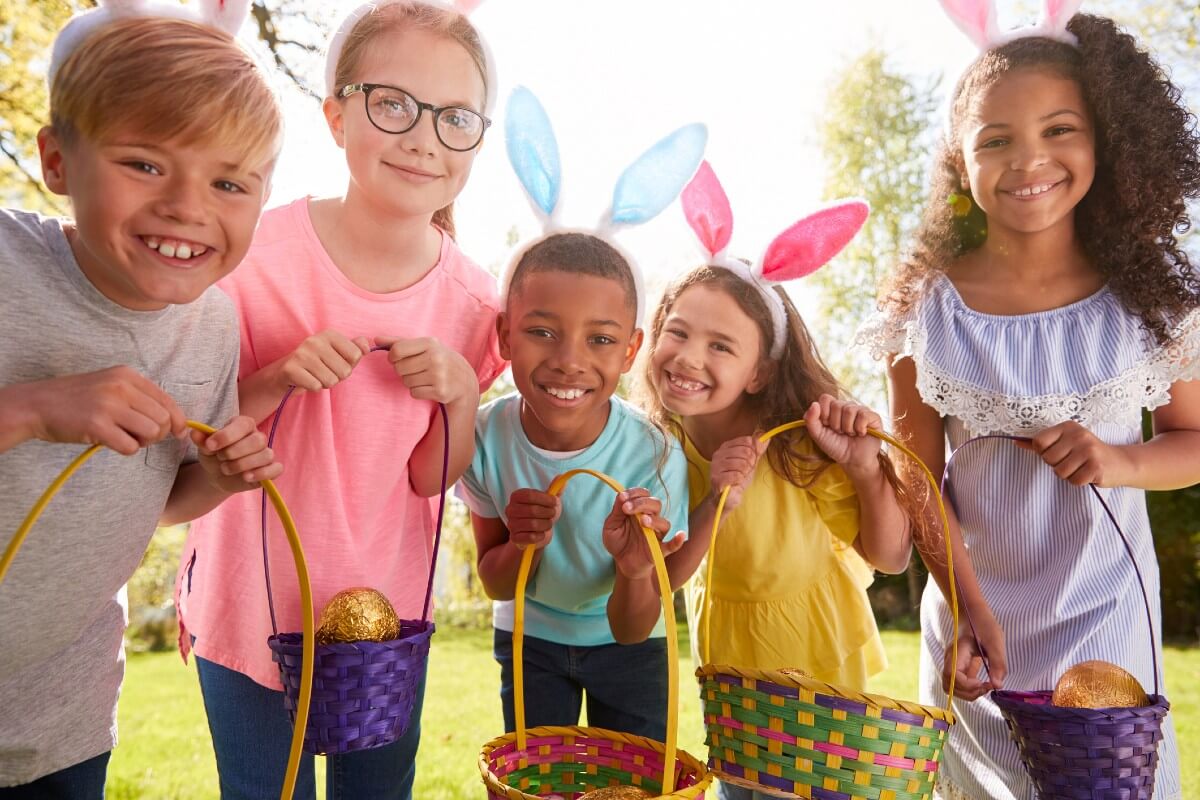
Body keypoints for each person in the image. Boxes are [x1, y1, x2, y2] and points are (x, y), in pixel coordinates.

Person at [858, 4, 1199, 797]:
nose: (1029, 159)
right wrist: (971, 610)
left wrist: (1117, 458)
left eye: (1059, 129)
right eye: (995, 139)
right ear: (959, 158)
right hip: (977, 633)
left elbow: (1190, 442)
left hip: (1108, 624)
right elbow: (915, 477)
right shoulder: (927, 311)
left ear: (1104, 138)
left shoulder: (1147, 301)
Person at [173, 2, 504, 798]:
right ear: (336, 115)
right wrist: (278, 375)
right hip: (247, 602)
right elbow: (198, 438)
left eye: (455, 117)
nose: (424, 137)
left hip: (386, 621)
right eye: (393, 104)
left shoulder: (474, 302)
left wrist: (460, 394)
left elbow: (433, 477)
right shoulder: (253, 258)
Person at [0, 2, 283, 795]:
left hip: (63, 717)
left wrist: (220, 479)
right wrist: (30, 408)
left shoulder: (215, 322)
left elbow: (153, 498)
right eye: (146, 164)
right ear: (58, 161)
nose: (189, 207)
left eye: (229, 181)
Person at [640, 163, 915, 800]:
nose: (688, 357)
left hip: (822, 672)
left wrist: (864, 468)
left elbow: (893, 555)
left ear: (760, 373)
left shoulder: (795, 444)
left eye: (720, 346)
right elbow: (657, 573)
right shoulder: (660, 446)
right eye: (676, 333)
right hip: (735, 675)